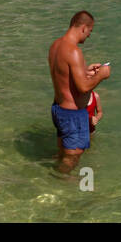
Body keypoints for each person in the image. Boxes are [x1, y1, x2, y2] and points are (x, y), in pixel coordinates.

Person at [47, 11, 111, 174]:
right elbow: (83, 88)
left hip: (59, 109)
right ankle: (60, 184)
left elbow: (64, 76)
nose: (89, 36)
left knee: (62, 153)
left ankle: (55, 179)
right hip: (72, 115)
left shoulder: (56, 45)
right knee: (72, 158)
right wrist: (101, 75)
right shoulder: (74, 51)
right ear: (83, 28)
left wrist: (85, 71)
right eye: (90, 31)